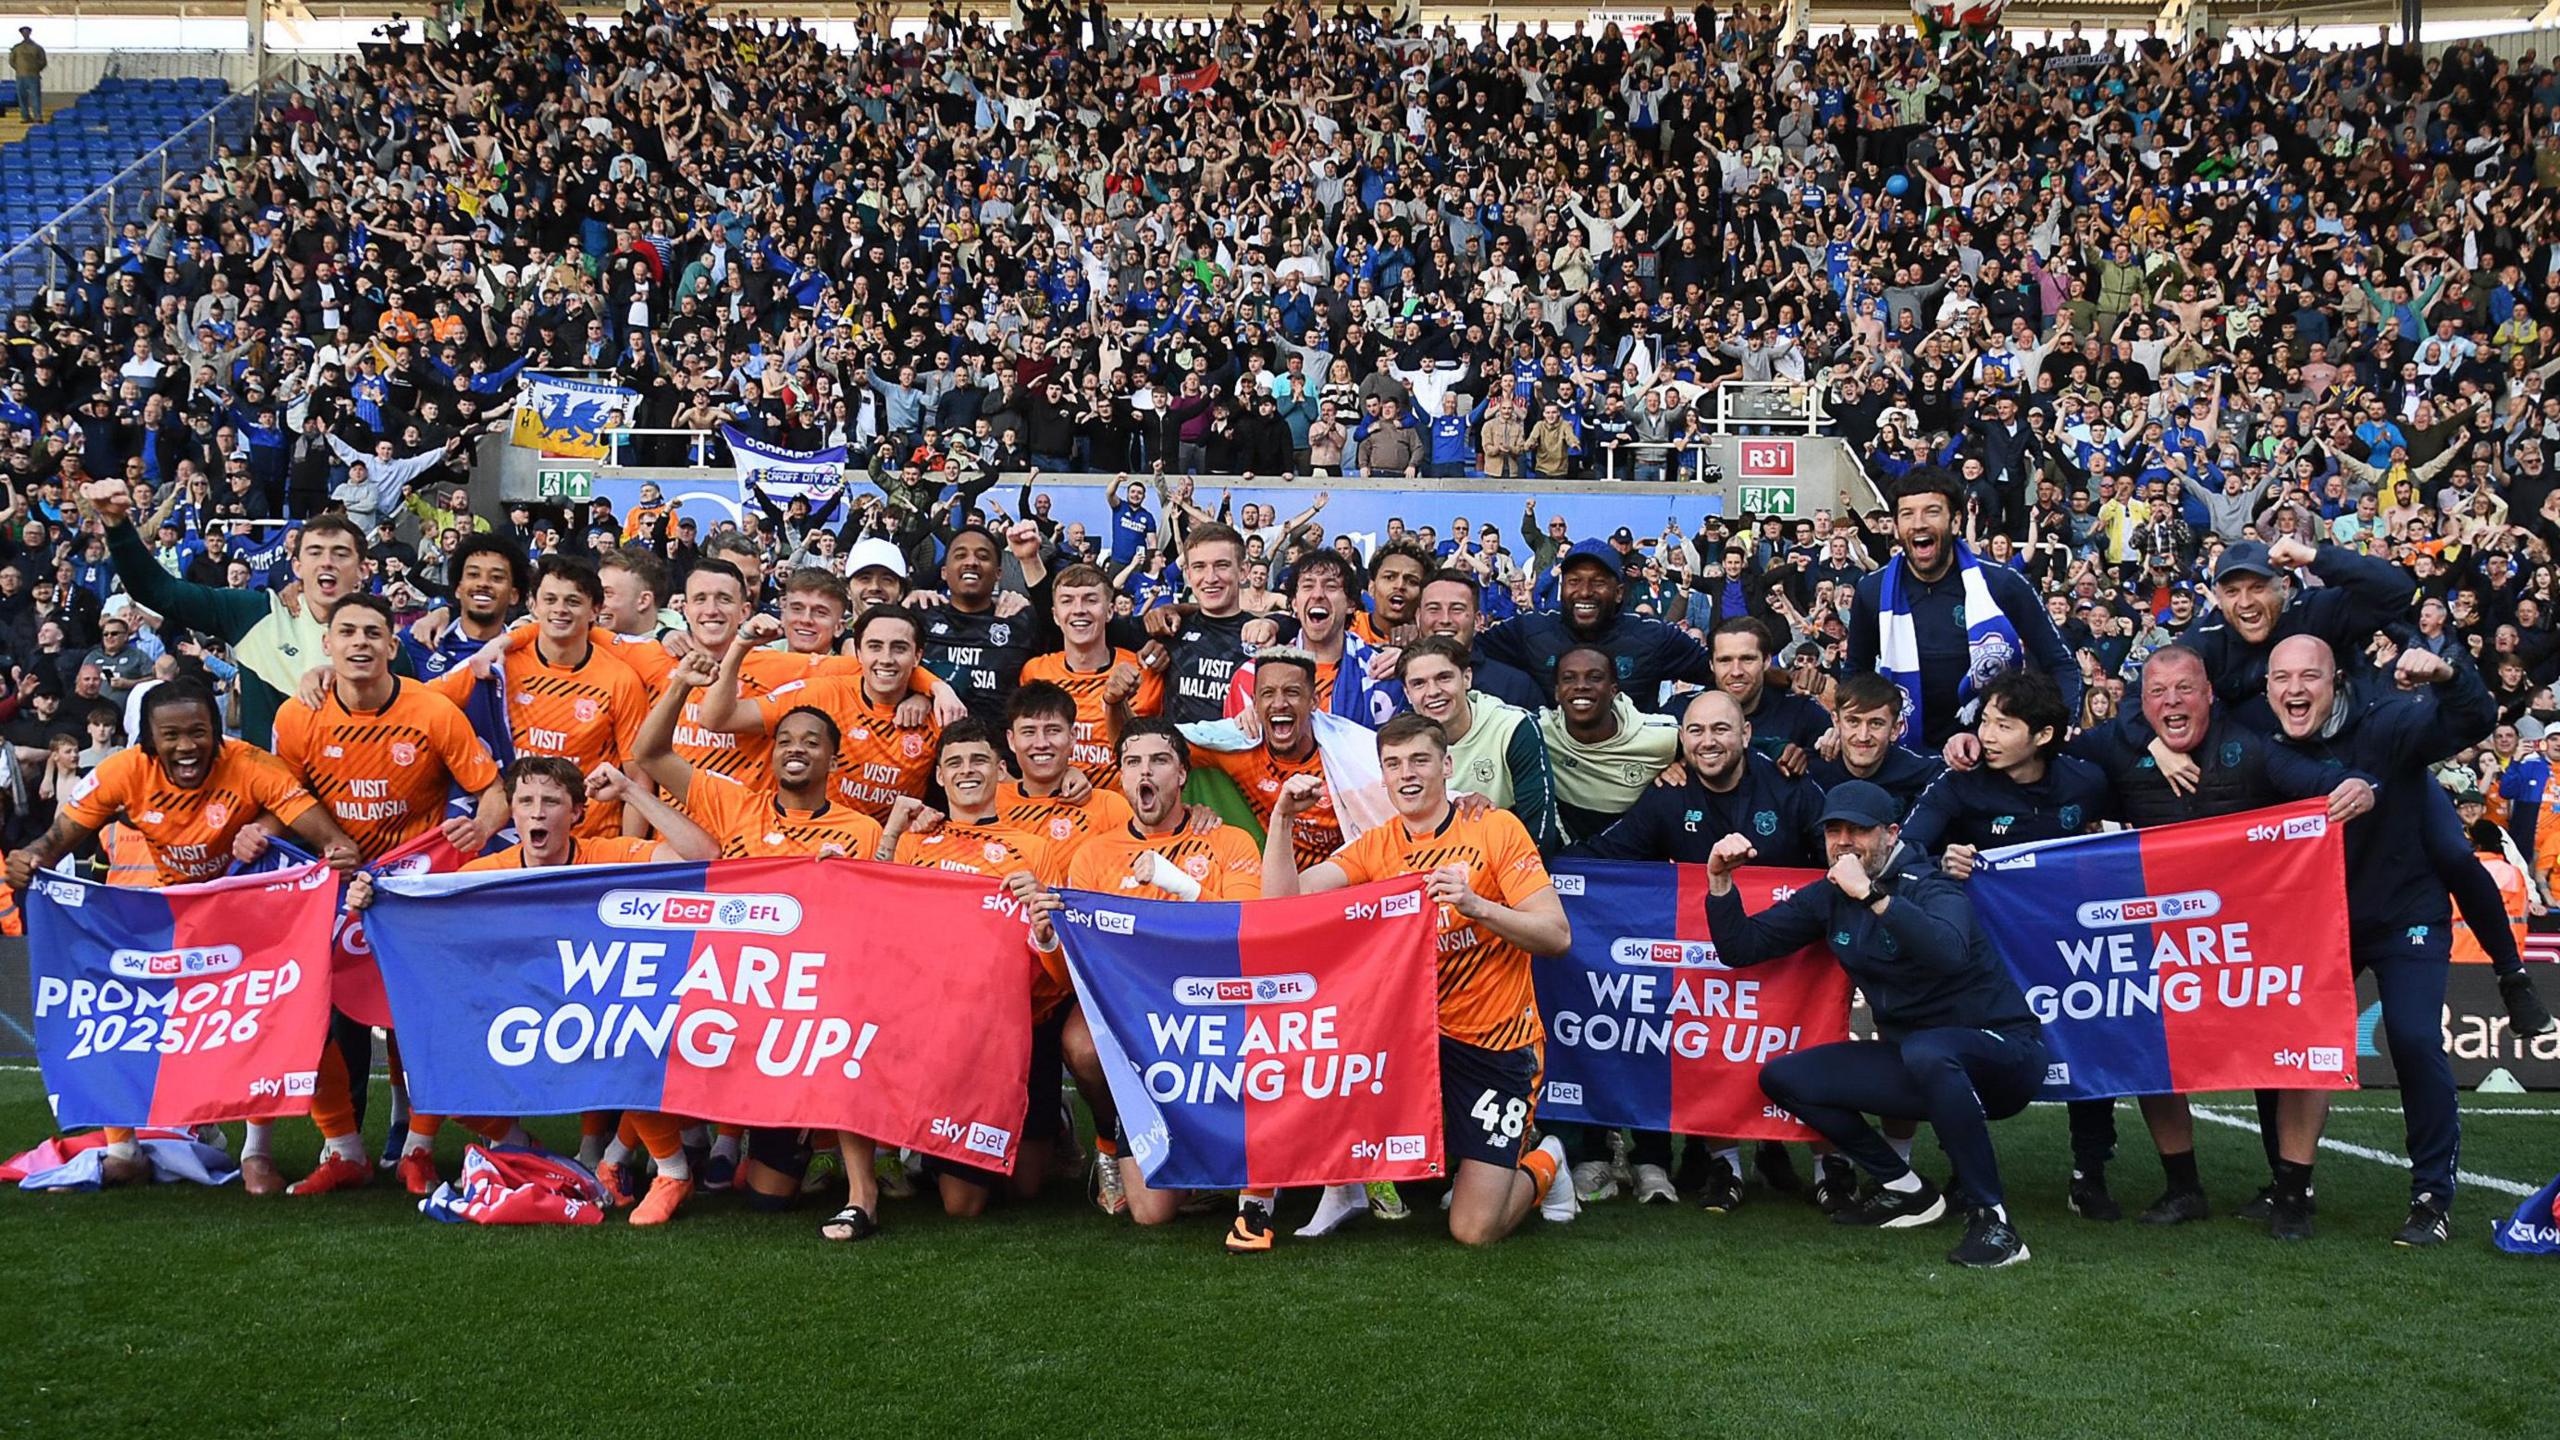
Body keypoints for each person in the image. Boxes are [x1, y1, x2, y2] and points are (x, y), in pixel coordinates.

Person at [5, 677, 362, 1189]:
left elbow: (330, 839)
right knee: (120, 1011)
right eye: (169, 735)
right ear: (148, 741)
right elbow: (56, 841)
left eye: (198, 732)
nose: (186, 746)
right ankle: (122, 1148)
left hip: (250, 916)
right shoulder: (123, 771)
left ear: (218, 733)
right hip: (172, 917)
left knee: (281, 1021)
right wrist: (29, 860)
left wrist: (324, 848)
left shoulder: (252, 766)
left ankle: (260, 1153)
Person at [2066, 644, 2375, 1226]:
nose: (2172, 702)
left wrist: (2359, 784)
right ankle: (2183, 1187)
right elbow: (2057, 757)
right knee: (2147, 1049)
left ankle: (2292, 1194)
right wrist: (2146, 740)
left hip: (2253, 937)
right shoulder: (2124, 742)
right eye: (2157, 693)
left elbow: (2324, 781)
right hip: (2166, 938)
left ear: (2210, 694)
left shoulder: (2249, 746)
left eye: (2185, 689)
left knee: (2296, 1046)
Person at [1261, 714, 1579, 1248]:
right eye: (1393, 764)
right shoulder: (1376, 845)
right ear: (1382, 777)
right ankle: (1350, 1185)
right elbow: (1281, 907)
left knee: (1475, 1230)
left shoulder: (1495, 828)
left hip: (1495, 1044)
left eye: (1420, 760)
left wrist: (1477, 906)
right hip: (1410, 1045)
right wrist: (1281, 822)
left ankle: (1547, 1160)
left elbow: (1556, 935)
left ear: (1446, 766)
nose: (1406, 774)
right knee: (1320, 1040)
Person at [1701, 779, 2046, 1269]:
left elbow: (1948, 952)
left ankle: (1996, 1223)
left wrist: (1873, 897)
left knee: (1929, 1050)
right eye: (1832, 831)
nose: (1843, 842)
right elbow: (1741, 949)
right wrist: (1719, 881)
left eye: (1857, 831)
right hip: (1919, 1063)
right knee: (1785, 1077)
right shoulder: (1829, 894)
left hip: (2004, 1057)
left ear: (1890, 833)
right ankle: (1906, 1189)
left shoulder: (1931, 882)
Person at [393, 756, 717, 1224]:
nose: (537, 812)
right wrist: (369, 896)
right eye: (525, 801)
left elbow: (704, 855)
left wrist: (629, 791)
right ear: (512, 813)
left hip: (595, 1006)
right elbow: (415, 911)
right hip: (519, 1011)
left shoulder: (609, 855)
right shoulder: (485, 873)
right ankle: (518, 1145)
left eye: (551, 801)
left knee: (623, 1033)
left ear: (577, 813)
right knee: (441, 1055)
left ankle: (672, 1170)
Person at [262, 593, 506, 1199]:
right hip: (329, 886)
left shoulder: (432, 712)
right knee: (307, 1010)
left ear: (393, 647)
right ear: (328, 644)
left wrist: (479, 825)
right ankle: (343, 1148)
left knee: (412, 1017)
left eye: (374, 633)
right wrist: (263, 833)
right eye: (348, 632)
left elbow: (492, 788)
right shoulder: (298, 716)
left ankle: (418, 1147)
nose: (361, 643)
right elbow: (280, 798)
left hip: (410, 887)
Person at [1572, 687, 1841, 1212]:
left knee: (1813, 1049)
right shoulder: (1668, 794)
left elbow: (1834, 850)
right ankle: (1726, 1166)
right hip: (1710, 961)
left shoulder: (1790, 784)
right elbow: (1605, 857)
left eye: (1720, 729)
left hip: (1794, 955)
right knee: (1715, 1047)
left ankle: (1830, 1165)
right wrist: (1536, 866)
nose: (1707, 741)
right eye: (1694, 731)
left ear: (1745, 734)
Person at [2265, 636, 2494, 1245]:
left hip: (2404, 913)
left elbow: (2472, 717)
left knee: (2415, 1038)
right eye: (2281, 678)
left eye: (2309, 676)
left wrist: (2449, 673)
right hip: (2324, 919)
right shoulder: (2270, 746)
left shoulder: (2387, 718)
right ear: (2265, 689)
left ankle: (2431, 1198)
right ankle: (2288, 1186)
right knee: (2289, 1042)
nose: (2295, 689)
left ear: (2335, 681)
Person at [1899, 668, 2119, 1219]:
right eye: (1986, 720)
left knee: (2085, 1049)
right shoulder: (1960, 782)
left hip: (2070, 948)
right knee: (1965, 1055)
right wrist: (1942, 864)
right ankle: (1964, 1172)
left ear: (2043, 735)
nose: (1988, 734)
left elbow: (2135, 840)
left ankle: (2089, 1173)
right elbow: (1905, 852)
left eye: (2005, 724)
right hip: (1986, 958)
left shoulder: (2086, 781)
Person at [1052, 720, 1267, 1227]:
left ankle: (1221, 1157)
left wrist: (1179, 885)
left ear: (1182, 775)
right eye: (1132, 763)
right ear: (1121, 779)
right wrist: (1045, 938)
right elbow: (1081, 963)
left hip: (1213, 1006)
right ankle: (1110, 1141)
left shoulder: (1229, 841)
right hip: (1132, 1013)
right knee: (1150, 1215)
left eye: (1158, 760)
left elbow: (1242, 929)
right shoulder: (1094, 855)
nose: (1144, 772)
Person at [883, 721, 1069, 1230]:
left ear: (1000, 771)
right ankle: (918, 1135)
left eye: (979, 761)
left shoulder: (1035, 849)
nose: (968, 772)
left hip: (1020, 1030)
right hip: (938, 1032)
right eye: (956, 764)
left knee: (1028, 1188)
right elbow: (877, 924)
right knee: (961, 1206)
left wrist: (1044, 926)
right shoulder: (916, 846)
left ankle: (1053, 1122)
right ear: (939, 777)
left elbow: (1059, 969)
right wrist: (892, 834)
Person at [1849, 469, 2081, 750]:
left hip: (1992, 753)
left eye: (1932, 512)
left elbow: (2060, 662)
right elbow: (1856, 672)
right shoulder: (1872, 590)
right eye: (1907, 514)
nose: (1919, 523)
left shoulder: (2003, 584)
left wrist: (2064, 725)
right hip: (1904, 751)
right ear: (1896, 526)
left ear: (1956, 521)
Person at [427, 557, 649, 838]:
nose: (560, 610)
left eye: (572, 601)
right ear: (533, 605)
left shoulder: (621, 680)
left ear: (595, 610)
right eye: (550, 599)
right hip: (512, 840)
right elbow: (424, 707)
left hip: (589, 844)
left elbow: (638, 780)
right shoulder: (498, 664)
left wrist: (630, 856)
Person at [695, 605, 938, 819]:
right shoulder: (821, 695)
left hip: (889, 855)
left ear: (917, 656)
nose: (886, 659)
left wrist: (933, 691)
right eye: (875, 647)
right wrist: (741, 644)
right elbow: (716, 718)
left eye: (899, 648)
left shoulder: (937, 715)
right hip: (818, 845)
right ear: (859, 653)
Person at [1477, 539, 1718, 711]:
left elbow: (1719, 676)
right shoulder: (1530, 629)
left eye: (1598, 582)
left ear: (1619, 592)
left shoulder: (1652, 635)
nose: (1584, 592)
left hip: (1631, 772)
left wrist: (1674, 728)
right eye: (1574, 581)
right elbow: (1466, 656)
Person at [1397, 636, 1558, 853]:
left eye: (1444, 678)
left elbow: (1539, 833)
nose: (1433, 691)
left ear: (1467, 678)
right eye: (1419, 683)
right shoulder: (1398, 744)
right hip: (1434, 860)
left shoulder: (1512, 727)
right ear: (1407, 693)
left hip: (1509, 857)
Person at [1015, 563, 1161, 792]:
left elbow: (1154, 750)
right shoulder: (1035, 673)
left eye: (1090, 599)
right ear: (1055, 615)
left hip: (1124, 812)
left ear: (1110, 611)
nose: (1079, 609)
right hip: (1055, 811)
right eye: (1067, 601)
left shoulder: (1143, 671)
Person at [1538, 645, 1679, 841]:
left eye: (1594, 677)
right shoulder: (1537, 734)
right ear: (1557, 692)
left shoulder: (1662, 738)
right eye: (1569, 678)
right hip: (1565, 859)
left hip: (1633, 861)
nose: (1581, 686)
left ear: (1613, 690)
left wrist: (1686, 766)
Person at [1807, 673, 1945, 817]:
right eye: (1853, 721)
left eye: (1876, 724)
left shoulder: (1925, 772)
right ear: (1836, 722)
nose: (1863, 736)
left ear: (1895, 729)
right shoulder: (1810, 769)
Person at [11, 26, 43, 123]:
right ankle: (25, 117)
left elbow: (43, 61)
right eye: (23, 32)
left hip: (34, 75)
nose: (25, 34)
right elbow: (12, 61)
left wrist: (35, 69)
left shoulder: (37, 48)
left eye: (27, 32)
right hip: (20, 76)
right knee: (22, 97)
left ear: (30, 33)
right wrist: (19, 69)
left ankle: (37, 117)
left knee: (35, 97)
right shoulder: (16, 48)